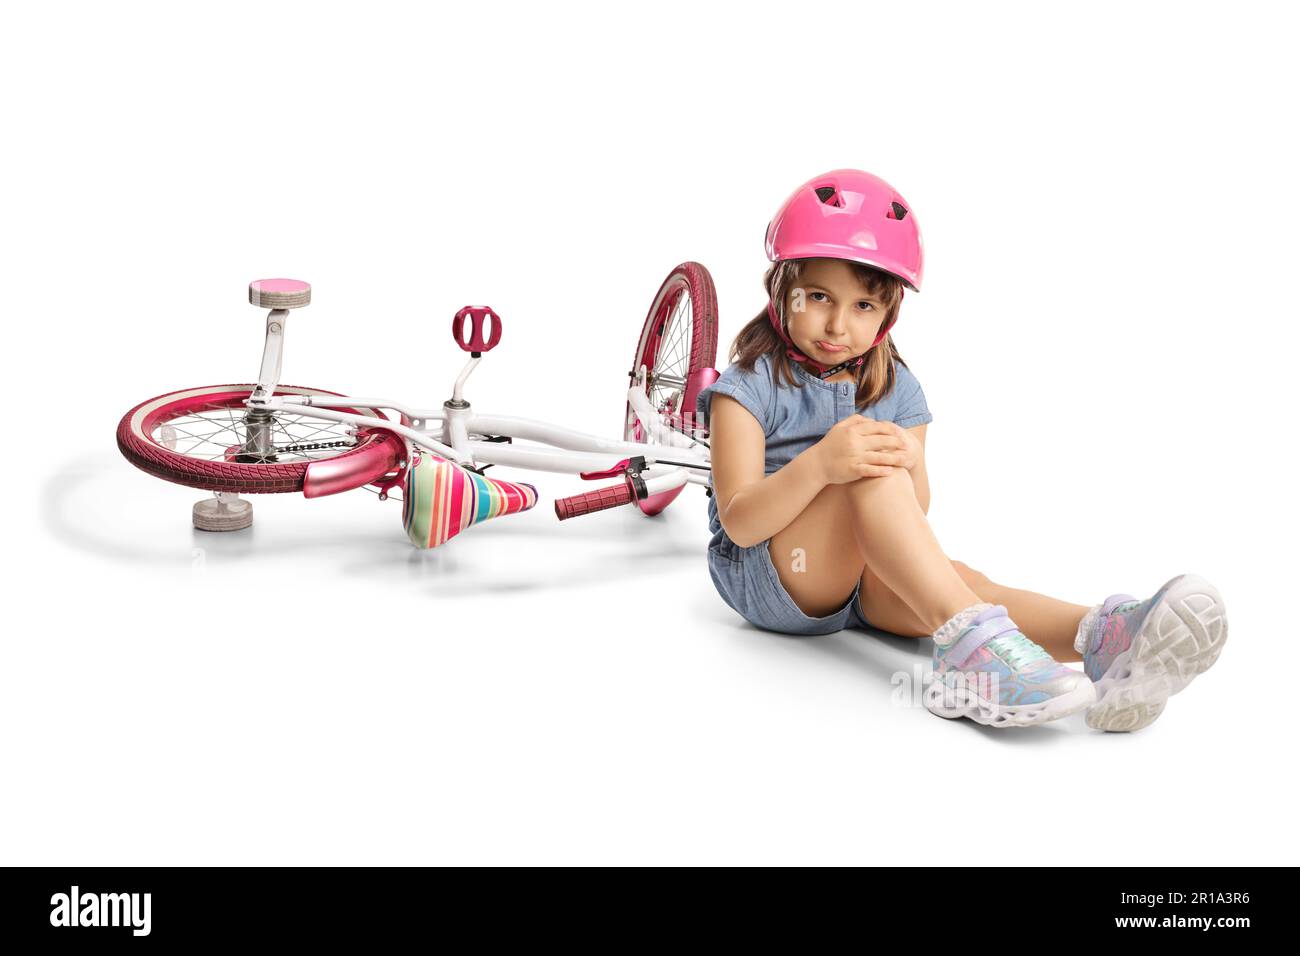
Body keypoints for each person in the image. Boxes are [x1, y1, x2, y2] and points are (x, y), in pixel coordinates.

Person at [695, 168, 1228, 731]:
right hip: (773, 577)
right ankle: (970, 658)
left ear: (888, 314)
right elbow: (740, 523)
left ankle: (1104, 638)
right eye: (819, 297)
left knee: (963, 583)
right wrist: (824, 464)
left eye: (863, 307)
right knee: (871, 478)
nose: (837, 324)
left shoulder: (897, 387)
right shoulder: (746, 387)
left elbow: (912, 512)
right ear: (782, 289)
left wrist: (908, 464)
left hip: (857, 579)